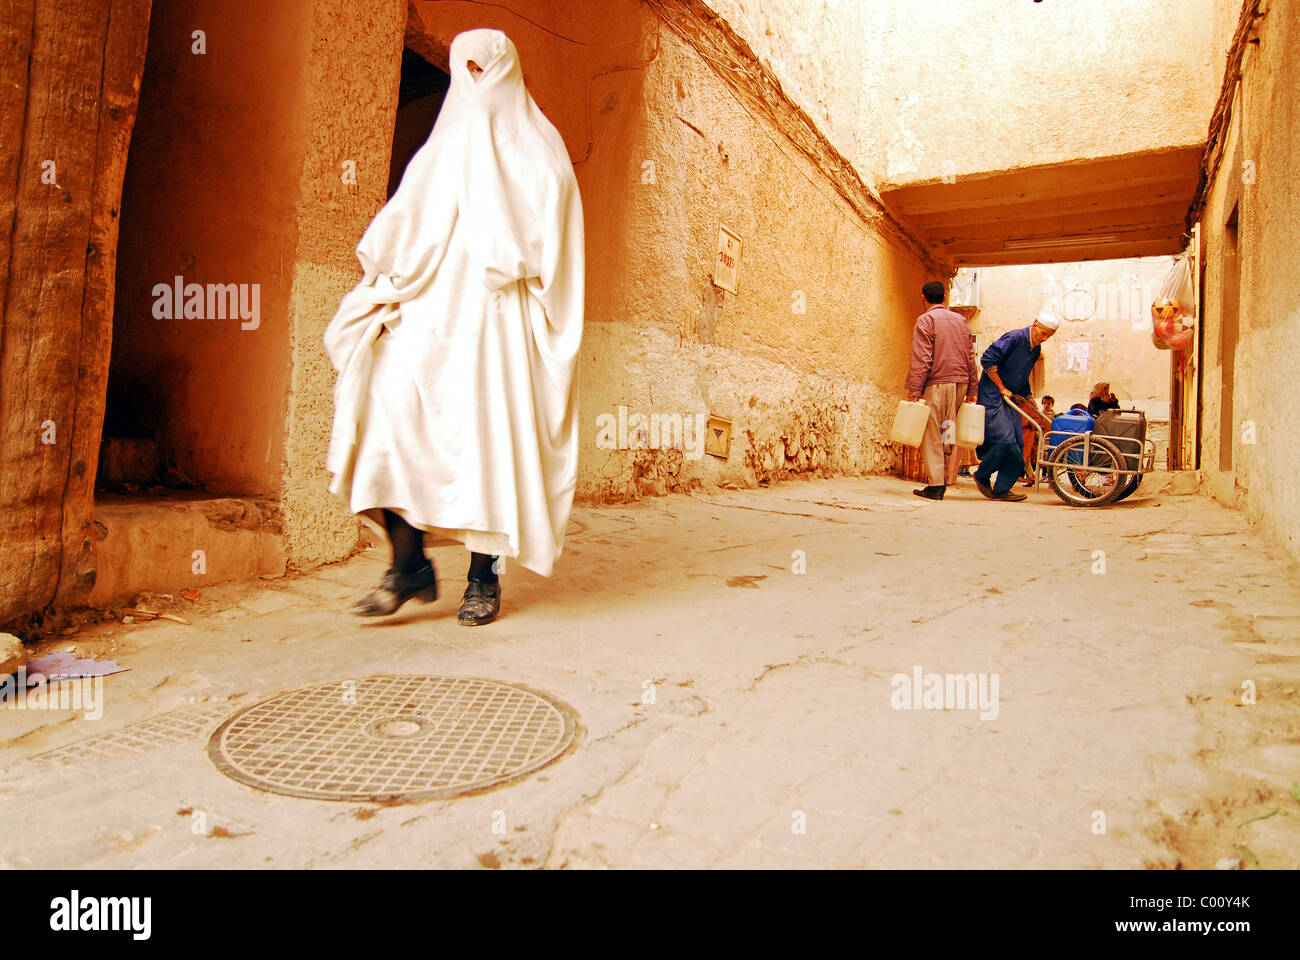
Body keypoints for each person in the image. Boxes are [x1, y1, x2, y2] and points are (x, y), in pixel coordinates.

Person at [323, 29, 585, 627]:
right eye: (462, 71)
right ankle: (409, 562)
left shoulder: (540, 152)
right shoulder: (440, 150)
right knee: (385, 417)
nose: (474, 82)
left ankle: (482, 577)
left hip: (497, 327)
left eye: (482, 69)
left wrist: (506, 230)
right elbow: (404, 222)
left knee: (488, 445)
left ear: (506, 71)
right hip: (428, 314)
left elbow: (555, 238)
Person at [972, 312, 1061, 501]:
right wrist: (1001, 387)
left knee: (1019, 446)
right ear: (1035, 324)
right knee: (1004, 440)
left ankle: (1002, 489)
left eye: (1049, 336)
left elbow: (1022, 376)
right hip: (994, 396)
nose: (1044, 339)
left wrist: (1028, 396)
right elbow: (988, 359)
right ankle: (982, 475)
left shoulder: (1035, 350)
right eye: (1043, 333)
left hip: (1012, 398)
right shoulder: (1014, 338)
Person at [905, 281, 979, 501]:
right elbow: (970, 357)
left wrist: (915, 389)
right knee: (949, 429)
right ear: (945, 296)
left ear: (923, 297)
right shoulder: (961, 321)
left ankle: (936, 485)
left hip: (937, 383)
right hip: (960, 383)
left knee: (932, 432)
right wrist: (973, 388)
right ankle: (947, 478)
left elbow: (922, 357)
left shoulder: (926, 320)